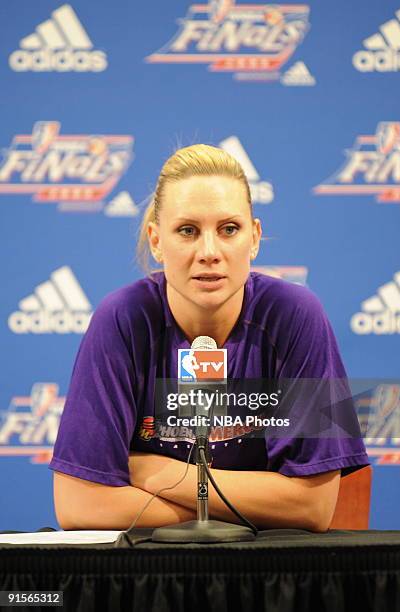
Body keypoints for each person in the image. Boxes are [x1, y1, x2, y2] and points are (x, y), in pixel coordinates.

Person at [50, 144, 369, 532]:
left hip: (265, 575)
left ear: (254, 237)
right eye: (187, 230)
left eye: (228, 229)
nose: (209, 252)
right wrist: (223, 514)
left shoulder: (296, 315)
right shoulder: (122, 320)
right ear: (156, 240)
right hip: (155, 578)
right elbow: (80, 506)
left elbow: (312, 507)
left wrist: (160, 472)